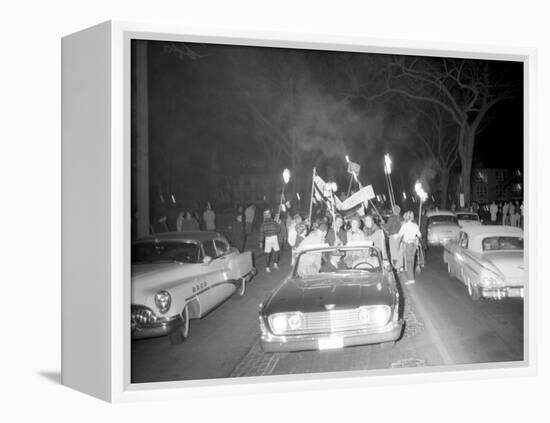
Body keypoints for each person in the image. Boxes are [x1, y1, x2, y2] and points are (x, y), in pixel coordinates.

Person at [397, 211, 422, 285]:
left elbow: (399, 234)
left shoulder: (404, 226)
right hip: (414, 244)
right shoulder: (415, 225)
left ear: (407, 217)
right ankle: (411, 278)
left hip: (407, 245)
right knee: (412, 261)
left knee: (408, 262)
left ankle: (411, 279)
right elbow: (420, 235)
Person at [384, 205, 403, 270]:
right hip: (400, 236)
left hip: (393, 236)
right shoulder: (401, 218)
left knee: (394, 253)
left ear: (393, 210)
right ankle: (400, 266)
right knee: (399, 251)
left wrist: (382, 224)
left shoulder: (391, 218)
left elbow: (387, 227)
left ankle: (396, 267)